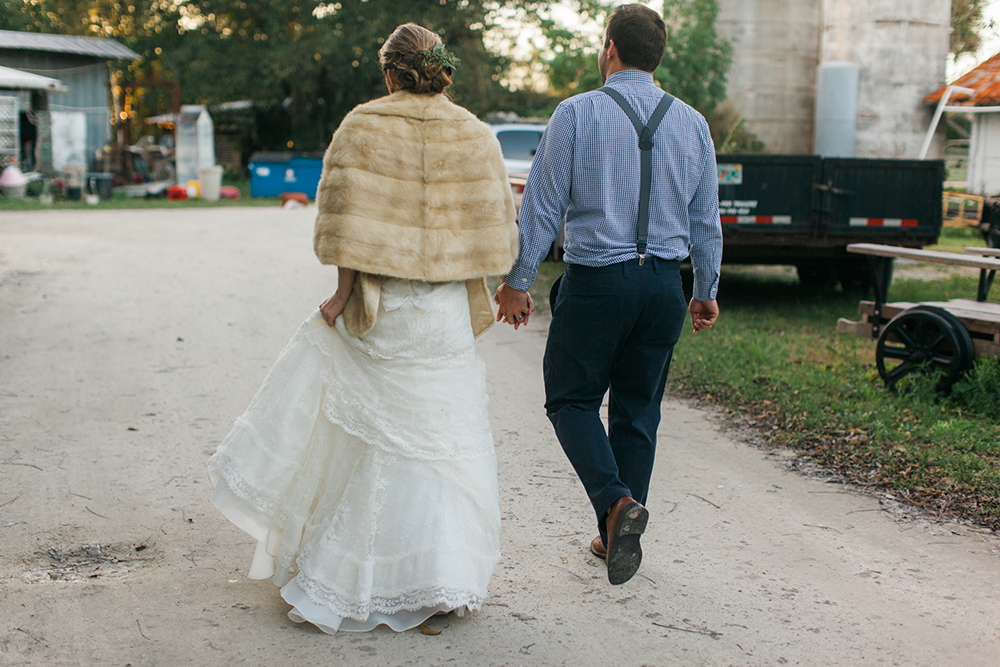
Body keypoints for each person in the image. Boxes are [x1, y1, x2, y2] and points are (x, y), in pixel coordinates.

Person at [208, 23, 519, 633]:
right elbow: (494, 233)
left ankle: (372, 577)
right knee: (444, 441)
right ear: (437, 68)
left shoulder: (363, 126)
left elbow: (347, 226)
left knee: (380, 444)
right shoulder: (476, 135)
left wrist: (341, 294)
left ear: (390, 71)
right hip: (446, 314)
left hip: (389, 309)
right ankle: (443, 577)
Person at [495, 4, 722, 585]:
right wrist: (705, 289)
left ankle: (615, 503)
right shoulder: (692, 122)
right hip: (663, 287)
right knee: (638, 410)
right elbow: (706, 218)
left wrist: (519, 281)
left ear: (611, 48)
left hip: (599, 282)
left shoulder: (576, 114)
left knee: (570, 400)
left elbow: (543, 203)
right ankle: (614, 531)